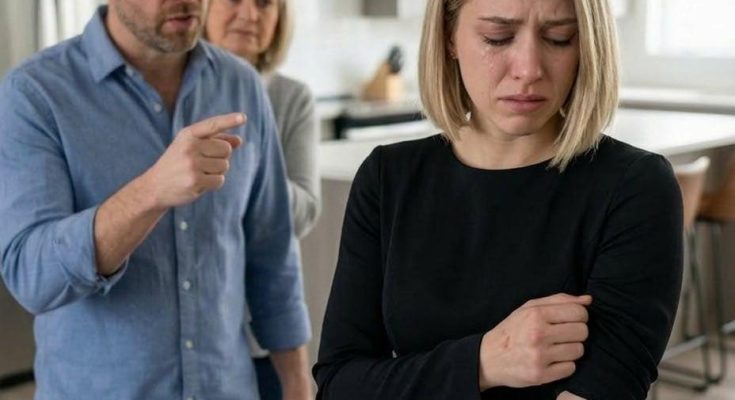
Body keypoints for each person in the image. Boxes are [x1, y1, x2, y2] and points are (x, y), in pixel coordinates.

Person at [313, 0, 683, 399]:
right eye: (497, 37)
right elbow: (339, 382)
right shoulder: (388, 177)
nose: (529, 69)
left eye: (559, 38)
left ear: (588, 45)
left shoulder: (635, 186)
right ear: (449, 38)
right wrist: (483, 362)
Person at [0, 1, 313, 399]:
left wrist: (298, 384)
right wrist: (150, 192)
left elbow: (273, 258)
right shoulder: (35, 93)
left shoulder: (242, 84)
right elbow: (32, 277)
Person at [204, 1, 320, 398]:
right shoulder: (176, 95)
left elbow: (305, 211)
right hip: (198, 331)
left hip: (268, 336)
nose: (250, 14)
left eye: (265, 3)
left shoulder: (292, 98)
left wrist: (248, 165)